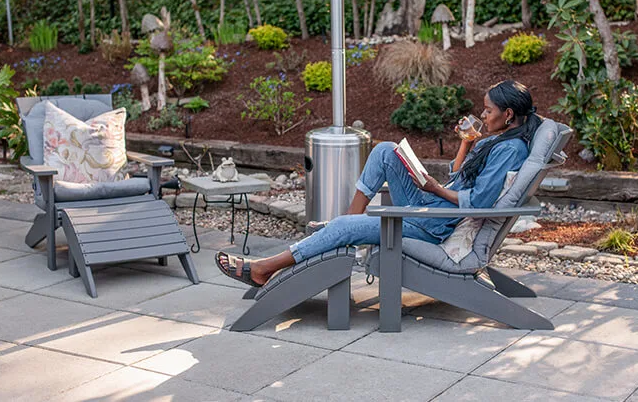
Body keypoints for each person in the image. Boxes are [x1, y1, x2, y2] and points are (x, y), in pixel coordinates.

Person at [216, 80, 543, 287]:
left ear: (510, 114)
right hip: (431, 208)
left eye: (488, 111)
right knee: (386, 150)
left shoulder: (510, 149)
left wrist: (434, 189)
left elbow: (481, 201)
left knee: (345, 230)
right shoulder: (500, 139)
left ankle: (263, 269)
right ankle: (346, 221)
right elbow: (460, 176)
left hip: (434, 225)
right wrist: (466, 143)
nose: (483, 116)